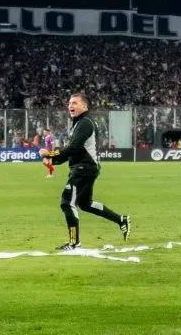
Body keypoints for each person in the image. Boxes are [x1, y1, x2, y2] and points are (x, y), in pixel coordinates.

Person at [39, 93, 130, 250]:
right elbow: (73, 151)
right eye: (69, 103)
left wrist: (50, 154)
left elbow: (73, 148)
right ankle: (121, 220)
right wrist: (53, 160)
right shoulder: (79, 123)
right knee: (85, 204)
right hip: (85, 167)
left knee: (67, 203)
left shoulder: (85, 123)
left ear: (85, 106)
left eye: (74, 103)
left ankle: (74, 243)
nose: (70, 105)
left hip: (84, 168)